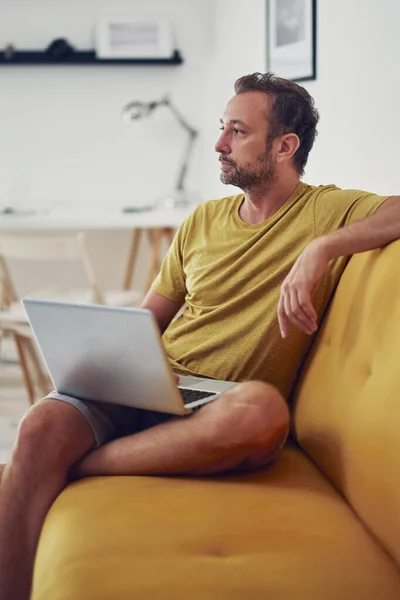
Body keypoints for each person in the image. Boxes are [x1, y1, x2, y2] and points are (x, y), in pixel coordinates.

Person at [0, 72, 399, 600]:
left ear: (284, 146)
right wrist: (106, 358)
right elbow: (147, 321)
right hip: (152, 381)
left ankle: (84, 464)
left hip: (220, 405)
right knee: (41, 423)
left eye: (237, 131)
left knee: (262, 411)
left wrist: (320, 250)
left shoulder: (325, 210)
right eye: (221, 128)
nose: (218, 144)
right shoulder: (203, 219)